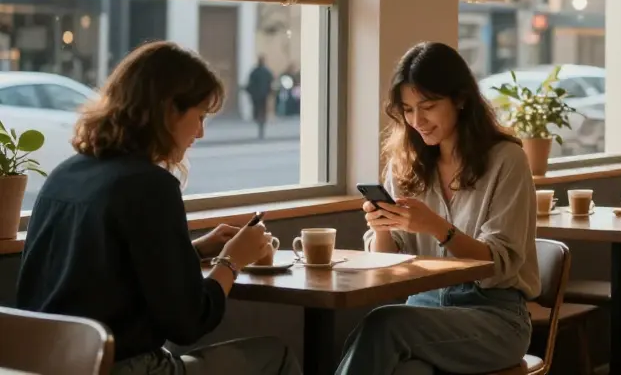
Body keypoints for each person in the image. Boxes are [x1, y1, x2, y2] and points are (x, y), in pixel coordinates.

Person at [16, 41, 299, 375]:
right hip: (122, 368)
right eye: (200, 116)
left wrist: (191, 250)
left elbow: (102, 274)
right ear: (169, 110)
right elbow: (189, 322)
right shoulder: (150, 186)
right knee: (275, 354)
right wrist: (231, 261)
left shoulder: (66, 174)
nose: (201, 132)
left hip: (41, 368)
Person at [335, 42, 538, 375]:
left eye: (427, 106)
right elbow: (388, 266)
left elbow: (498, 267)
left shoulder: (507, 161)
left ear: (460, 99)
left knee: (384, 323)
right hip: (424, 309)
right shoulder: (407, 164)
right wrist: (381, 227)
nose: (417, 120)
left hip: (495, 318)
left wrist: (436, 227)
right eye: (408, 109)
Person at [244, 56, 274, 139]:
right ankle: (261, 121)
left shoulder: (256, 71)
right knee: (261, 110)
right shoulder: (264, 71)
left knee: (258, 110)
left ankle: (260, 121)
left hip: (258, 95)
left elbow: (250, 83)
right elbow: (270, 82)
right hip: (262, 95)